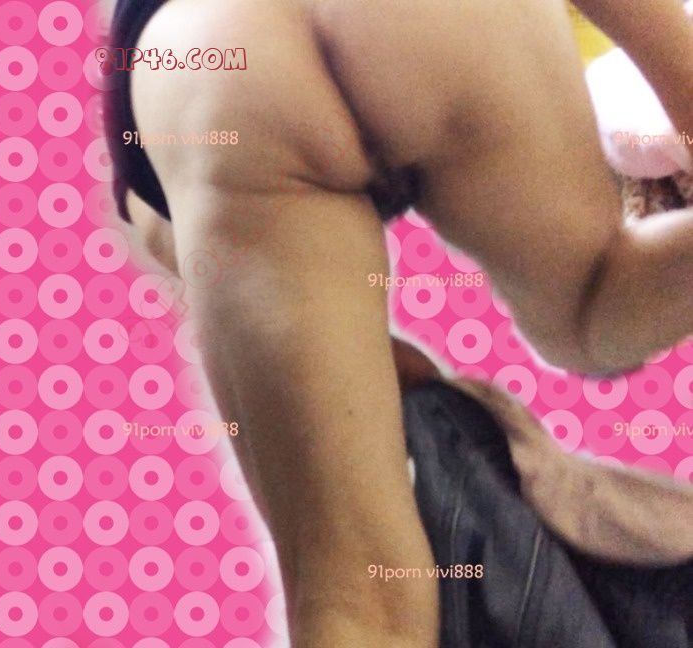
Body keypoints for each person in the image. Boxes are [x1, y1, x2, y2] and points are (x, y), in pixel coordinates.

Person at [105, 0, 693, 645]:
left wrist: (352, 374)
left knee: (358, 596)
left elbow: (176, 235)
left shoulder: (156, 193)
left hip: (211, 57)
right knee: (591, 306)